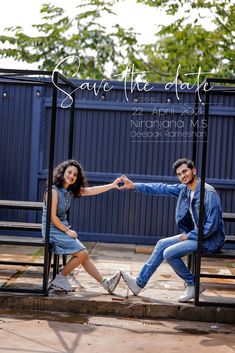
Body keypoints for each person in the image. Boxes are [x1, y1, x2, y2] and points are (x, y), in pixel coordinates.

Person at [118, 158, 225, 302]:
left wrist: (189, 235)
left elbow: (212, 225)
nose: (182, 176)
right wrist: (134, 186)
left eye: (185, 171)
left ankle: (193, 284)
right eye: (179, 174)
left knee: (169, 253)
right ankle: (139, 283)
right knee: (162, 243)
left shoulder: (208, 193)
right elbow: (161, 188)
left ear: (194, 171)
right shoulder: (185, 189)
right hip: (196, 236)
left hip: (210, 239)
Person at [42, 159, 121, 293]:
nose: (71, 176)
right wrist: (67, 231)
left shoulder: (70, 191)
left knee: (84, 255)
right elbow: (52, 217)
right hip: (52, 230)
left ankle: (105, 283)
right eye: (69, 172)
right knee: (82, 253)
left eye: (75, 175)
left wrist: (112, 185)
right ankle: (60, 279)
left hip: (61, 229)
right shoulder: (53, 191)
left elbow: (91, 191)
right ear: (62, 172)